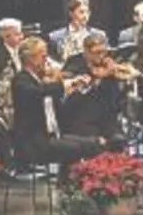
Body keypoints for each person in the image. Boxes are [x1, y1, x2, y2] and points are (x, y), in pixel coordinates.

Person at [9, 37, 102, 166]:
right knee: (74, 148)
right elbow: (39, 92)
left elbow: (55, 99)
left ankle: (85, 180)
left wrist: (74, 87)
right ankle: (67, 181)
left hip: (53, 134)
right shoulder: (21, 80)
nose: (46, 60)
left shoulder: (40, 80)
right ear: (31, 58)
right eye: (43, 56)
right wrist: (66, 83)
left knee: (93, 144)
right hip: (33, 140)